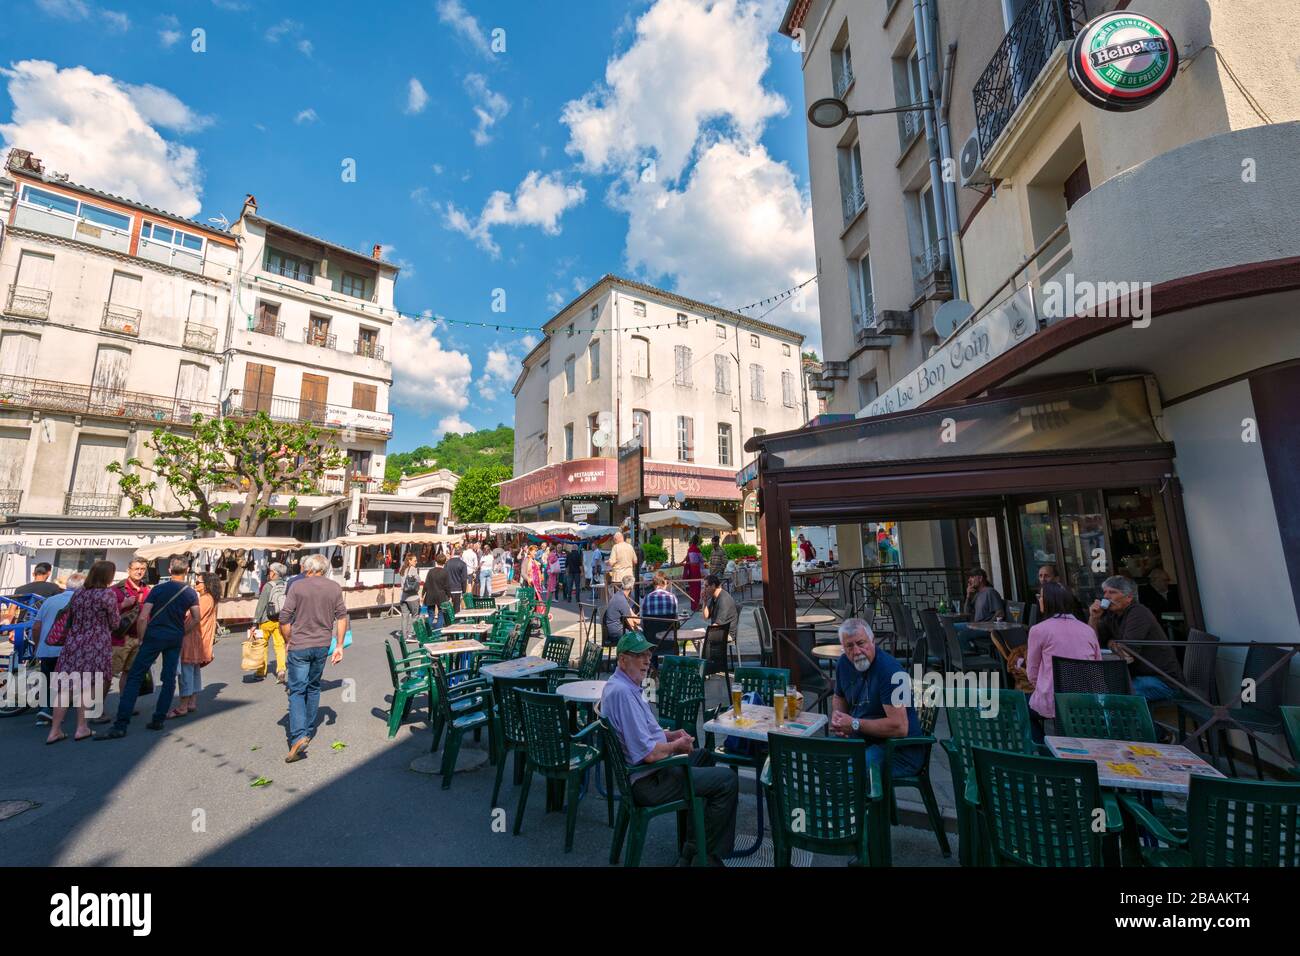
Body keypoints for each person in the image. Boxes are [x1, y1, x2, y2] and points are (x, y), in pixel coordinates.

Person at [601, 631, 737, 864]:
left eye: (648, 655)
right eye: (639, 656)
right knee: (727, 781)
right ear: (623, 660)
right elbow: (650, 754)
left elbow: (641, 733)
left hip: (647, 774)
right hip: (648, 781)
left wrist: (669, 734)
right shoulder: (623, 694)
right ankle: (707, 857)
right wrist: (675, 746)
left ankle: (692, 846)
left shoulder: (623, 686)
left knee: (703, 756)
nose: (646, 661)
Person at [98, 558, 200, 739]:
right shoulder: (190, 592)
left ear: (169, 569)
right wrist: (183, 632)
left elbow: (144, 616)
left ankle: (121, 724)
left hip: (153, 636)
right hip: (174, 638)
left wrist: (143, 637)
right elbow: (196, 617)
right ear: (188, 569)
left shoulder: (157, 590)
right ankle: (158, 719)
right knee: (169, 678)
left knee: (135, 676)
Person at [828, 618, 924, 774]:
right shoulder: (844, 663)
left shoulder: (890, 670)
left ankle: (847, 797)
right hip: (863, 740)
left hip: (899, 750)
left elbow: (900, 727)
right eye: (850, 646)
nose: (857, 651)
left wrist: (854, 724)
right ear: (843, 648)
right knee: (819, 754)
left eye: (861, 643)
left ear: (872, 641)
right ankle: (831, 797)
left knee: (851, 771)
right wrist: (838, 717)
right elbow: (839, 697)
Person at [279, 553, 347, 763]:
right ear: (325, 569)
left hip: (300, 645)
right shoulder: (334, 587)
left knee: (297, 690)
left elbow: (284, 618)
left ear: (308, 569)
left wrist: (289, 638)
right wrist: (340, 645)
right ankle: (307, 731)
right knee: (313, 686)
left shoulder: (297, 587)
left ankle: (298, 735)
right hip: (322, 645)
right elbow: (342, 616)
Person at [46, 562, 119, 743]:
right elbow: (115, 622)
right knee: (88, 685)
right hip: (96, 644)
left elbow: (70, 619)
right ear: (107, 576)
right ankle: (82, 727)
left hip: (73, 643)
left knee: (66, 687)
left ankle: (54, 730)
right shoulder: (107, 594)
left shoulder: (78, 593)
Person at [1090, 575, 1184, 701]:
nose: (1106, 597)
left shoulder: (1138, 612)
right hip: (1138, 676)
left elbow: (1127, 652)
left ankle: (1134, 721)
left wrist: (1112, 643)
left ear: (1129, 597)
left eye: (1112, 592)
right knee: (1101, 688)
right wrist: (1094, 618)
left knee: (1112, 693)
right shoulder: (1112, 615)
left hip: (1164, 682)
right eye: (1105, 592)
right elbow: (1092, 643)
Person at [1025, 581, 1101, 723]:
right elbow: (1097, 667)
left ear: (1047, 601)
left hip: (1053, 701)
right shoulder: (1088, 630)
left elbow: (1032, 672)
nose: (1039, 600)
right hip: (1087, 701)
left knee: (1021, 709)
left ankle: (1041, 743)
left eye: (1040, 596)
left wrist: (1044, 687)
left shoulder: (1038, 630)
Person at [31, 572, 84, 725]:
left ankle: (44, 709)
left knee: (46, 679)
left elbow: (36, 626)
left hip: (47, 648)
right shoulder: (81, 602)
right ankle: (56, 712)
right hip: (69, 649)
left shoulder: (49, 601)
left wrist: (37, 645)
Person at [170, 572, 218, 718]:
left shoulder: (205, 599)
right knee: (194, 671)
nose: (195, 584)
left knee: (186, 672)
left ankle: (183, 706)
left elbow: (193, 618)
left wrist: (181, 632)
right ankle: (191, 702)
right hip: (198, 638)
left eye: (198, 582)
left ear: (207, 584)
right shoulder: (210, 598)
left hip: (191, 637)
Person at [110, 558, 151, 694]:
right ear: (129, 570)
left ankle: (124, 705)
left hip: (139, 639)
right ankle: (100, 710)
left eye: (142, 569)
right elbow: (105, 612)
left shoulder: (147, 590)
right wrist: (123, 605)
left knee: (129, 674)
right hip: (119, 639)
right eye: (136, 569)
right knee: (108, 675)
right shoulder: (116, 590)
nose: (139, 572)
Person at [250, 562, 288, 682]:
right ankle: (281, 669)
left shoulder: (268, 586)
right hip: (280, 620)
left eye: (270, 571)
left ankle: (261, 672)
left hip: (266, 620)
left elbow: (261, 604)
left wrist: (255, 622)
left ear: (274, 573)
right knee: (280, 645)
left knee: (262, 645)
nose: (269, 573)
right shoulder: (287, 585)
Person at [640, 570, 679, 669]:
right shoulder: (672, 598)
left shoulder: (646, 599)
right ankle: (671, 669)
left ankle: (653, 671)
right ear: (665, 582)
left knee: (649, 634)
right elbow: (676, 622)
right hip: (669, 642)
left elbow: (642, 623)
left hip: (651, 643)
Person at [602, 576, 640, 646]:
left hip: (614, 629)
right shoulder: (622, 600)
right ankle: (634, 656)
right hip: (616, 632)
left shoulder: (620, 594)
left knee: (640, 633)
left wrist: (641, 622)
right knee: (640, 638)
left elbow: (633, 615)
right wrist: (639, 633)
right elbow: (631, 624)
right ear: (632, 587)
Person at [702, 574, 739, 640]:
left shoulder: (723, 600)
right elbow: (706, 617)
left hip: (726, 633)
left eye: (706, 586)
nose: (704, 589)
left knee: (700, 639)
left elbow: (718, 624)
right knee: (699, 634)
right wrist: (704, 601)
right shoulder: (714, 596)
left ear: (713, 585)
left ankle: (708, 650)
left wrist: (706, 633)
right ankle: (706, 650)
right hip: (719, 629)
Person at [397, 553, 422, 639]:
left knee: (404, 617)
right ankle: (412, 633)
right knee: (415, 615)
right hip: (412, 597)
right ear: (409, 561)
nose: (416, 562)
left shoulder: (402, 569)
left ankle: (404, 635)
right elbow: (419, 580)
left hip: (403, 597)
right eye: (415, 560)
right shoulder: (412, 569)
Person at [423, 553, 451, 628]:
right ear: (445, 562)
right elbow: (447, 586)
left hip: (430, 595)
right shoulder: (445, 572)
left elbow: (426, 584)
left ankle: (427, 630)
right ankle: (437, 631)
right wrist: (449, 596)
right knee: (441, 614)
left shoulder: (430, 571)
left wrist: (423, 594)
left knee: (431, 615)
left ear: (436, 561)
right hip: (441, 596)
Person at [683, 535, 704, 610]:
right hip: (696, 569)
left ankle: (693, 606)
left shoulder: (689, 549)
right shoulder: (697, 549)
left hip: (691, 570)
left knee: (692, 588)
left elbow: (687, 559)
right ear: (697, 541)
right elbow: (701, 559)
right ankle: (697, 606)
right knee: (697, 588)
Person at [445, 547, 468, 613]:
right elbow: (464, 579)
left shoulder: (447, 563)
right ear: (461, 554)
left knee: (448, 609)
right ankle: (456, 621)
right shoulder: (462, 564)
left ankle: (449, 622)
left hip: (448, 588)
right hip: (458, 588)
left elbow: (444, 575)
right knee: (456, 609)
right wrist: (464, 590)